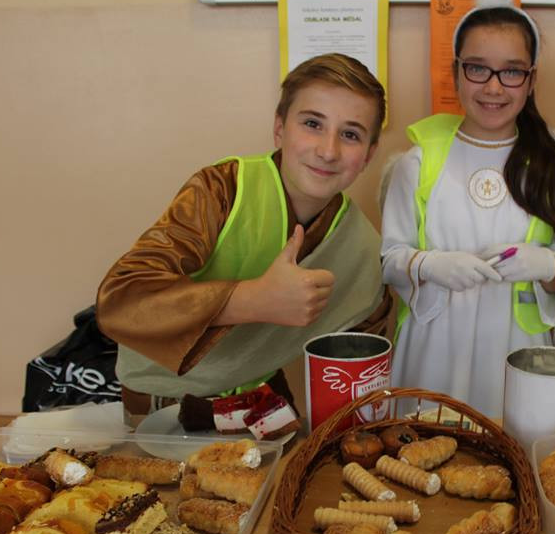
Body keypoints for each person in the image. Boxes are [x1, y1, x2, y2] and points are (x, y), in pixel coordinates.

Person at [97, 52, 390, 421]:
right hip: (165, 404)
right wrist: (252, 299)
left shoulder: (362, 247)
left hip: (262, 400)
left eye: (350, 135)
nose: (328, 151)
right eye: (313, 124)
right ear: (280, 128)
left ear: (368, 155)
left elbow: (363, 368)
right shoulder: (222, 191)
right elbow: (120, 302)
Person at [380, 0, 555, 421]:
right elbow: (389, 259)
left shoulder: (551, 167)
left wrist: (547, 264)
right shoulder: (417, 163)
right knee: (425, 446)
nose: (493, 87)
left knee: (511, 447)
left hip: (515, 350)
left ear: (531, 79)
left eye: (511, 71)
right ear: (456, 71)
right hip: (434, 347)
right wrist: (428, 265)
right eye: (477, 68)